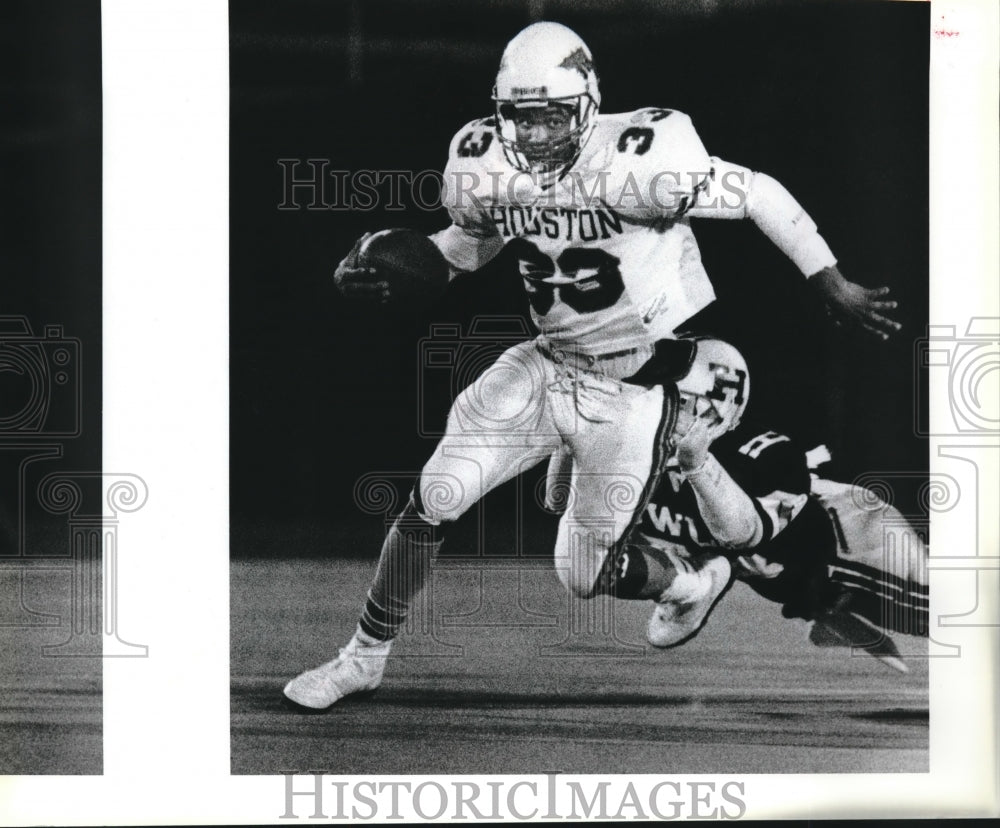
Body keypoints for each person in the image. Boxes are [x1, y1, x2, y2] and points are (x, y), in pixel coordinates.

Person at [284, 21, 900, 709]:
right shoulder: (483, 159)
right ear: (500, 111)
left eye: (552, 117)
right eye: (522, 117)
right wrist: (393, 260)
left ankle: (688, 582)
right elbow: (469, 243)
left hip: (633, 388)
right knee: (437, 494)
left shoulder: (643, 155)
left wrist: (831, 280)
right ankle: (362, 656)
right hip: (547, 365)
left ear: (586, 102)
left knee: (581, 572)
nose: (537, 134)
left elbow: (756, 192)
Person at [545, 337, 927, 672]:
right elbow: (558, 501)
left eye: (661, 396)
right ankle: (692, 585)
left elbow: (742, 534)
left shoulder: (766, 457)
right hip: (797, 580)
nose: (643, 403)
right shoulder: (641, 451)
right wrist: (575, 433)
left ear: (711, 411)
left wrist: (698, 463)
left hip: (851, 543)